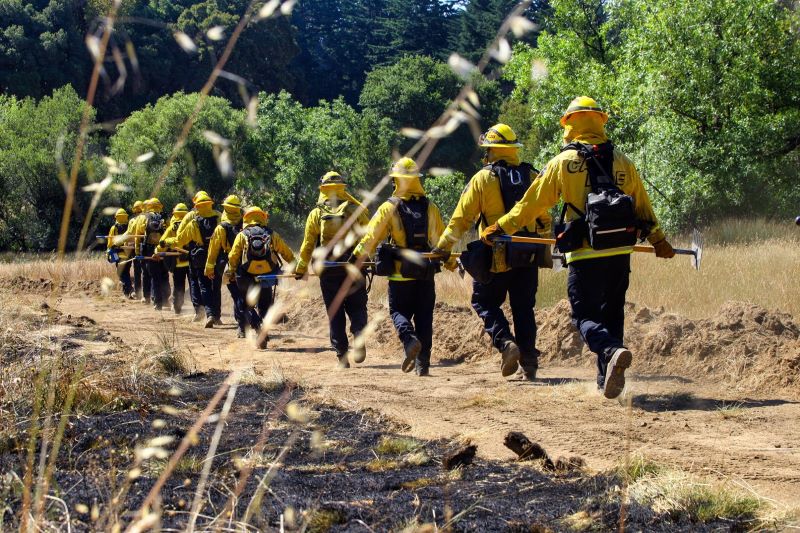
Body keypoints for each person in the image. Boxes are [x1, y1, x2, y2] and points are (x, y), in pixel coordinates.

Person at [487, 96, 675, 399]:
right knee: (612, 314)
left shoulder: (563, 163)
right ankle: (607, 380)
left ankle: (612, 351)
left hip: (585, 254)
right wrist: (658, 239)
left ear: (569, 124)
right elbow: (642, 205)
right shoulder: (622, 161)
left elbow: (530, 205)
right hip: (619, 253)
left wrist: (500, 228)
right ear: (600, 121)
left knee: (584, 316)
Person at [433, 123, 551, 381]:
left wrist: (442, 248)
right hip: (528, 252)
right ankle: (529, 364)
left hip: (496, 254)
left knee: (484, 301)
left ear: (491, 151)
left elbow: (460, 220)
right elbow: (544, 219)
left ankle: (505, 342)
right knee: (524, 307)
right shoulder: (531, 175)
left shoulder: (483, 179)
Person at [353, 157, 454, 376]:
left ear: (396, 181)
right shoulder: (431, 207)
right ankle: (423, 365)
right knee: (425, 318)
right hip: (426, 274)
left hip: (400, 276)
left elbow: (371, 236)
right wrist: (452, 262)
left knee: (398, 311)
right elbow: (442, 240)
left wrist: (357, 256)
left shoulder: (389, 207)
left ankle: (409, 340)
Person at [293, 171, 371, 369]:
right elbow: (370, 236)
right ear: (342, 188)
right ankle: (359, 335)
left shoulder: (316, 214)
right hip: (354, 267)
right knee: (357, 306)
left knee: (335, 312)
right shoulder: (355, 209)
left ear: (323, 189)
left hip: (328, 271)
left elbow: (308, 244)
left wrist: (301, 268)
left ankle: (342, 355)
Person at [227, 206, 295, 349]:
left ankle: (257, 326)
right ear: (263, 217)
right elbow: (285, 252)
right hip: (267, 274)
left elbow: (233, 256)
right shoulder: (271, 234)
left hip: (245, 275)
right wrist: (296, 266)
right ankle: (264, 325)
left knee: (246, 305)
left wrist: (231, 272)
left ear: (246, 219)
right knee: (265, 304)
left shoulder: (242, 235)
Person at [164, 191, 221, 327]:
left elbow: (179, 238)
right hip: (217, 255)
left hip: (197, 255)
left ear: (196, 204)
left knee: (199, 283)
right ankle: (216, 315)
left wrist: (166, 242)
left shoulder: (192, 218)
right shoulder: (219, 216)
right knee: (216, 285)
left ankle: (201, 311)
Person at [205, 195, 246, 338]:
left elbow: (213, 250)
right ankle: (244, 322)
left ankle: (237, 324)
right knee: (241, 293)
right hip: (245, 263)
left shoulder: (221, 228)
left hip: (227, 264)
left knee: (229, 292)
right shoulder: (245, 223)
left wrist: (209, 268)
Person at [159, 203, 193, 314]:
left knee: (179, 286)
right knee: (194, 285)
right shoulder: (193, 225)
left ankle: (177, 307)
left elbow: (162, 243)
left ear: (175, 214)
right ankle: (198, 308)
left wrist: (157, 252)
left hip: (178, 263)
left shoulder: (171, 228)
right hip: (191, 261)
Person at [139, 198, 171, 310]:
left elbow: (138, 233)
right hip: (163, 248)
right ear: (160, 206)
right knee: (164, 275)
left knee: (155, 276)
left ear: (148, 206)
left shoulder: (143, 217)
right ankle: (166, 301)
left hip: (149, 250)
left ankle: (158, 303)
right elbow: (170, 231)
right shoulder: (165, 217)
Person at [106, 208, 134, 298]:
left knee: (121, 273)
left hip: (119, 255)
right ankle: (128, 291)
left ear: (116, 217)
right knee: (126, 272)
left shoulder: (114, 228)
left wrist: (108, 252)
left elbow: (110, 242)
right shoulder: (130, 227)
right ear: (126, 217)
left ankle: (128, 291)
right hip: (129, 254)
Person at [128, 200, 150, 302]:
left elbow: (130, 234)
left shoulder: (133, 221)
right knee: (148, 271)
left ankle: (138, 293)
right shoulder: (150, 217)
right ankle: (150, 293)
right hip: (149, 248)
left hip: (137, 249)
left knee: (138, 272)